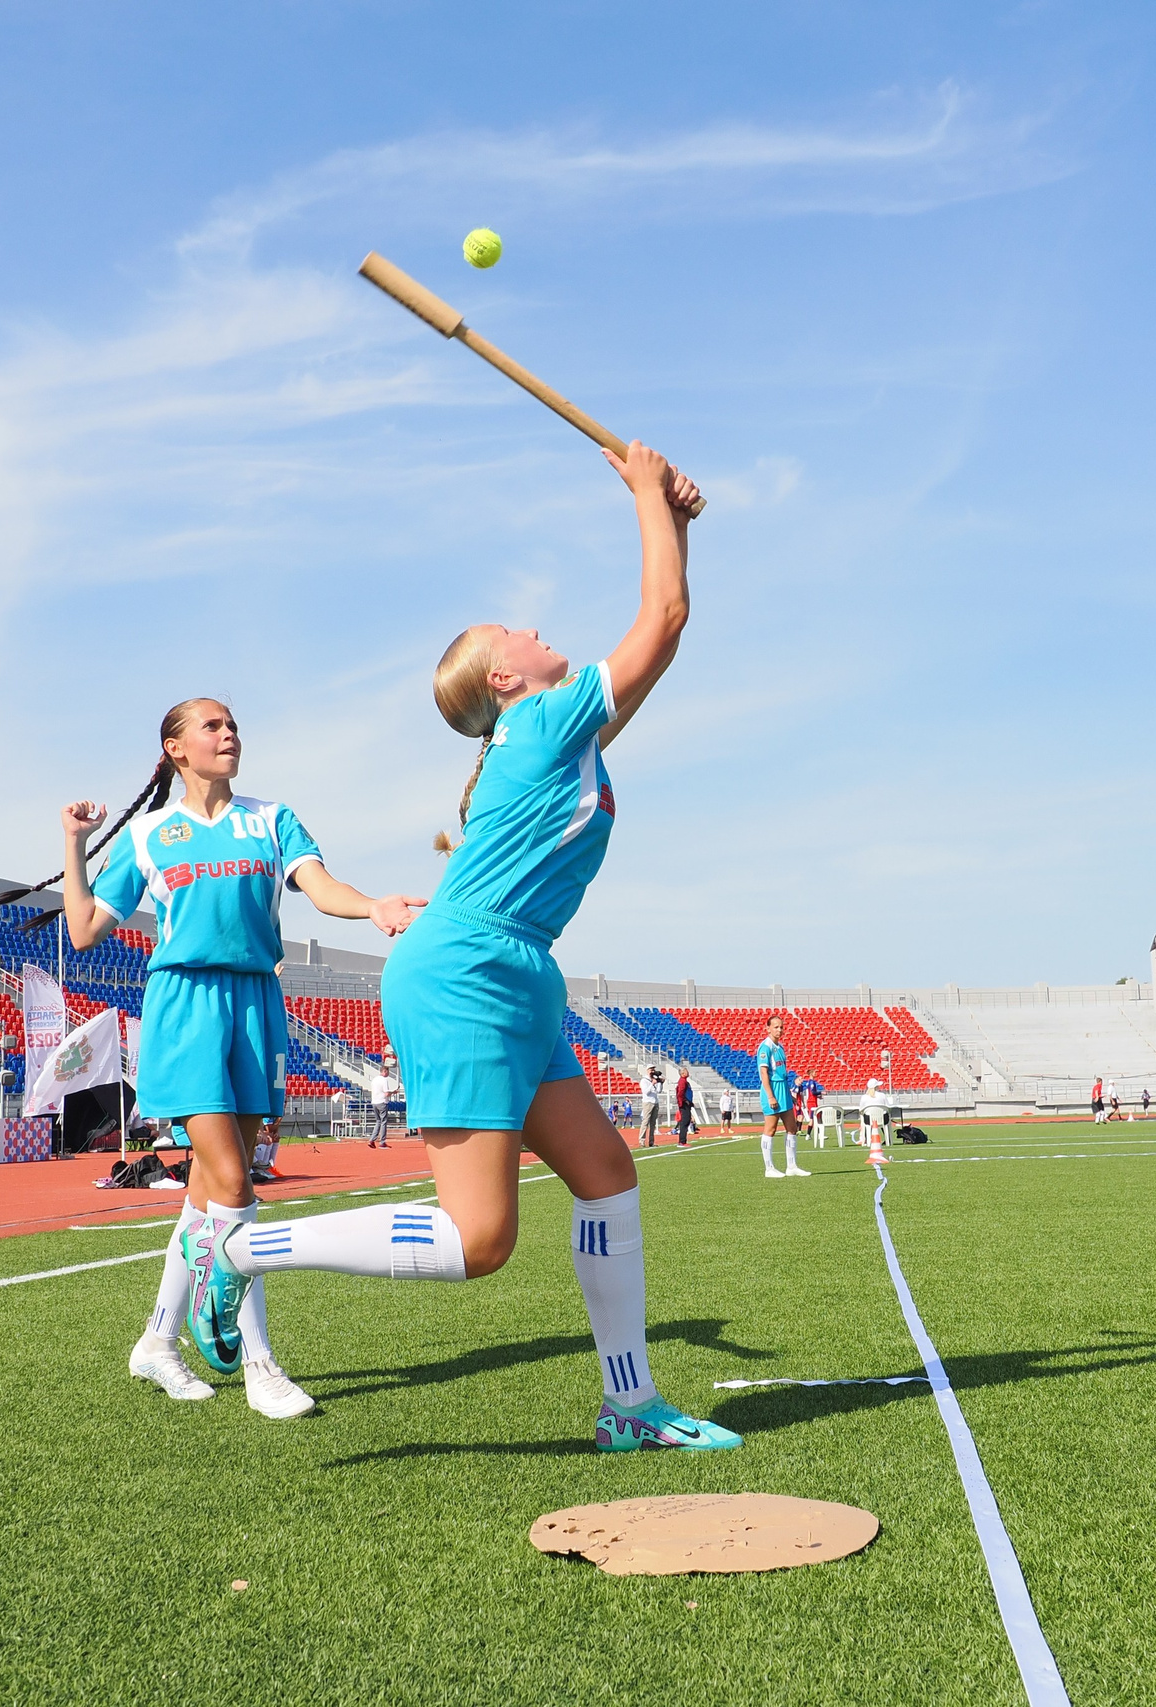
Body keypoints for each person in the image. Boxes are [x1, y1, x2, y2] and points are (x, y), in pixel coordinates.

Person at [184, 442, 735, 1453]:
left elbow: (665, 620)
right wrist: (647, 496)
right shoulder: (538, 725)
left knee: (608, 1176)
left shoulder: (549, 735)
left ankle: (630, 1407)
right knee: (478, 1241)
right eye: (513, 629)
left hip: (516, 971)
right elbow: (661, 621)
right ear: (504, 674)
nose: (532, 627)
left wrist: (676, 524)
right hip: (466, 971)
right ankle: (246, 1248)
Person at [50, 696, 428, 1422]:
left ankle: (157, 1341)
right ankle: (258, 1362)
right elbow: (84, 927)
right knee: (232, 1183)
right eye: (212, 726)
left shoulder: (273, 819)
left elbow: (321, 887)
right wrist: (73, 843)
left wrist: (373, 906)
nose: (229, 735)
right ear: (175, 748)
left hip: (257, 1003)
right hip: (184, 1007)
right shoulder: (150, 833)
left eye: (233, 726)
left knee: (208, 1196)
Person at [758, 1013, 807, 1179]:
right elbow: (764, 1073)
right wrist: (771, 1096)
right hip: (772, 1090)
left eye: (781, 1027)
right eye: (776, 1027)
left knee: (792, 1128)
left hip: (783, 1090)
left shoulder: (780, 1047)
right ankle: (769, 1168)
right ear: (768, 1028)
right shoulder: (765, 1048)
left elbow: (782, 1072)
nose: (779, 1030)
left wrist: (788, 1094)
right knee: (770, 1129)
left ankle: (791, 1166)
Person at [637, 1065, 665, 1148]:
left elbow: (659, 1091)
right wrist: (652, 1084)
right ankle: (642, 1141)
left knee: (653, 1123)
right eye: (651, 1069)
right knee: (645, 1122)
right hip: (647, 1102)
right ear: (647, 1070)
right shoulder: (644, 1080)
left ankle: (651, 1142)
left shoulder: (654, 1079)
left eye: (653, 1069)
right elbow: (646, 1092)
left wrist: (660, 1083)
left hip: (655, 1102)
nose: (652, 1071)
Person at [673, 1068, 696, 1145]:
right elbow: (680, 1093)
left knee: (686, 1121)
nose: (688, 1072)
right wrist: (683, 1101)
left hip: (686, 1103)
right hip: (684, 1104)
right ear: (682, 1073)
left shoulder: (685, 1081)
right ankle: (682, 1141)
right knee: (684, 1122)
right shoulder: (682, 1081)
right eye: (686, 1071)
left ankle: (683, 1140)